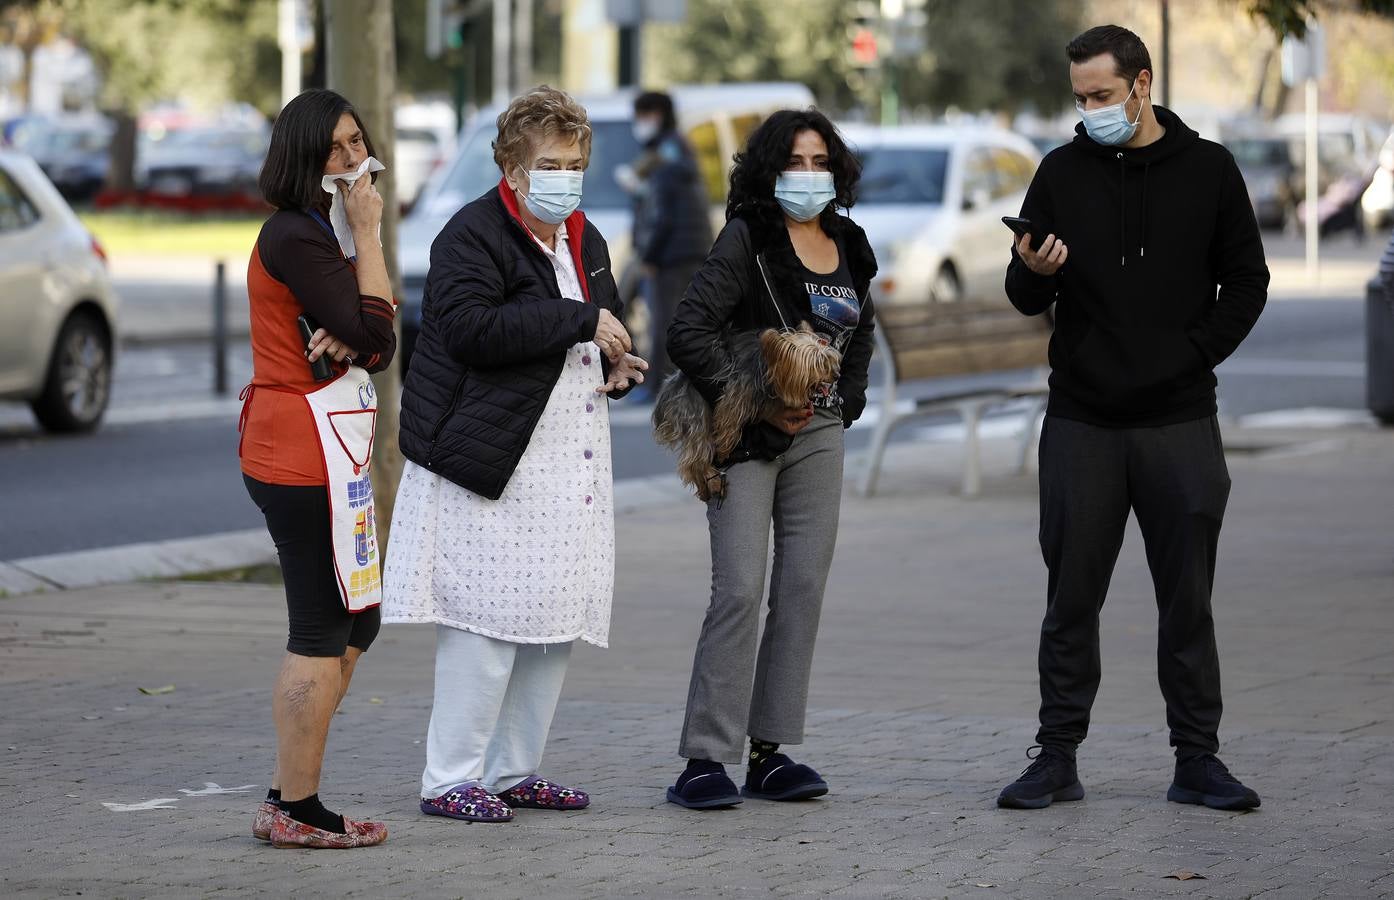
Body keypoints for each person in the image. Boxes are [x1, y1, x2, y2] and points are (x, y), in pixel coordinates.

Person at [997, 25, 1268, 812]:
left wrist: (1192, 356)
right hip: (1082, 421)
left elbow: (1247, 281)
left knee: (1187, 597)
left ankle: (1198, 759)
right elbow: (1026, 298)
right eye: (1080, 98)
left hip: (1180, 421)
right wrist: (1032, 270)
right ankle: (1056, 757)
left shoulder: (1210, 170)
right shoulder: (1060, 171)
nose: (1091, 112)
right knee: (1070, 596)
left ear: (1143, 84)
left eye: (1104, 96)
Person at [383, 86, 647, 824]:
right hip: (487, 462)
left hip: (567, 464)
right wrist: (579, 322)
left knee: (551, 626)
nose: (566, 176)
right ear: (512, 166)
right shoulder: (470, 235)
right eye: (551, 162)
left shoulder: (584, 239)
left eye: (575, 162)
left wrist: (617, 364)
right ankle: (449, 778)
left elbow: (601, 325)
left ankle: (512, 769)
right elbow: (469, 330)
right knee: (487, 625)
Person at [663, 109, 877, 809]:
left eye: (820, 162)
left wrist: (845, 403)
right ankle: (704, 759)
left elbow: (862, 334)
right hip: (746, 432)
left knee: (802, 588)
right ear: (768, 171)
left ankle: (770, 752)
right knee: (740, 589)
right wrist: (745, 403)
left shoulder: (850, 242)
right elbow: (687, 331)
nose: (808, 176)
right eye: (794, 163)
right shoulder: (747, 239)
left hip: (820, 434)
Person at [239, 88, 397, 849]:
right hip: (298, 452)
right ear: (303, 156)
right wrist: (369, 234)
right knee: (319, 627)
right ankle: (295, 807)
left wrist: (360, 332)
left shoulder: (316, 235)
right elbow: (379, 332)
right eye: (335, 147)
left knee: (359, 617)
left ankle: (289, 794)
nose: (352, 158)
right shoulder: (299, 237)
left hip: (331, 451)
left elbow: (370, 340)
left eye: (358, 141)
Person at [625, 91, 713, 401]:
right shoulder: (678, 148)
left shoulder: (665, 154)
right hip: (691, 248)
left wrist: (649, 254)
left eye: (644, 115)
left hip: (670, 253)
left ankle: (657, 388)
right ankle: (673, 385)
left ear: (658, 115)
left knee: (663, 320)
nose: (640, 123)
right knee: (681, 319)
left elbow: (661, 214)